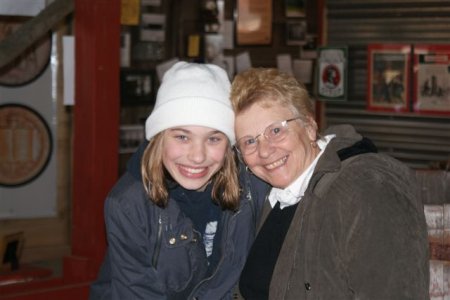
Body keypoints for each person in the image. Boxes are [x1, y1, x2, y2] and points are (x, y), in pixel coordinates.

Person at [230, 68, 430, 299]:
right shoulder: (276, 197)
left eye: (276, 130)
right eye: (249, 141)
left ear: (309, 127)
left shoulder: (367, 187)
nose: (264, 151)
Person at [89, 62, 267, 300]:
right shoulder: (128, 204)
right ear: (159, 137)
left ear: (229, 146)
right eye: (182, 137)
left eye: (213, 139)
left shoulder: (253, 186)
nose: (197, 156)